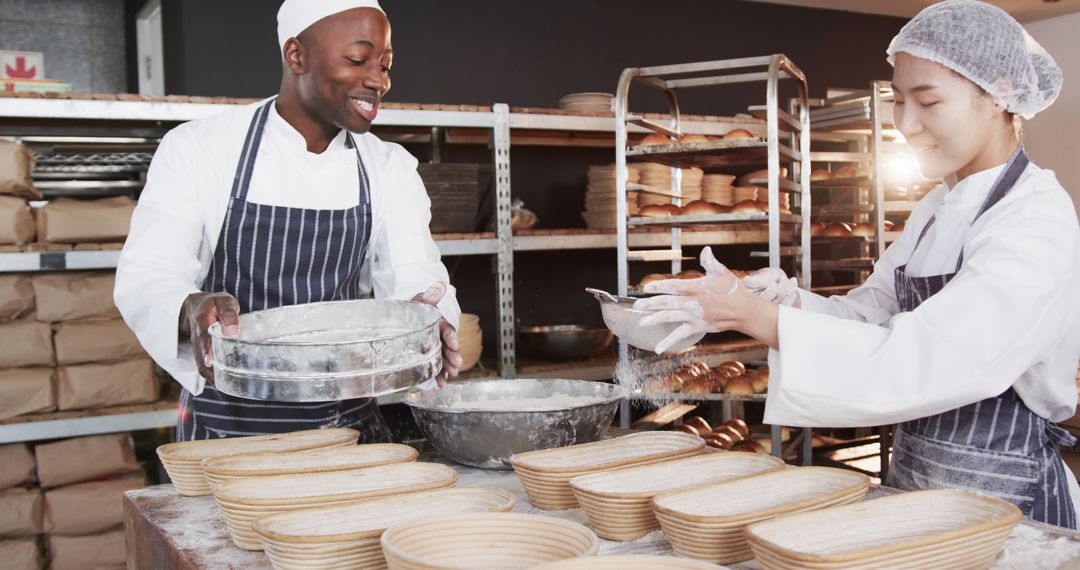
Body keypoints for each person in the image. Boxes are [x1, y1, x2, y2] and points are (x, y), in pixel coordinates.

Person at [635, 0, 1080, 528]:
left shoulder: (1033, 218)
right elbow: (870, 317)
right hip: (916, 486)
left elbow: (939, 359)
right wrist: (783, 304)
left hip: (1007, 504)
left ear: (1001, 92)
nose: (907, 124)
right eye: (898, 99)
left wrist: (763, 323)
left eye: (929, 99)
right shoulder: (937, 209)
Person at [115, 0, 462, 442]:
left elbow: (418, 278)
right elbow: (148, 273)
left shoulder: (389, 167)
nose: (378, 80)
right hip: (227, 433)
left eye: (385, 65)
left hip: (349, 432)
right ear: (296, 55)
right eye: (357, 60)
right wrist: (188, 307)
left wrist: (432, 322)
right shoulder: (199, 149)